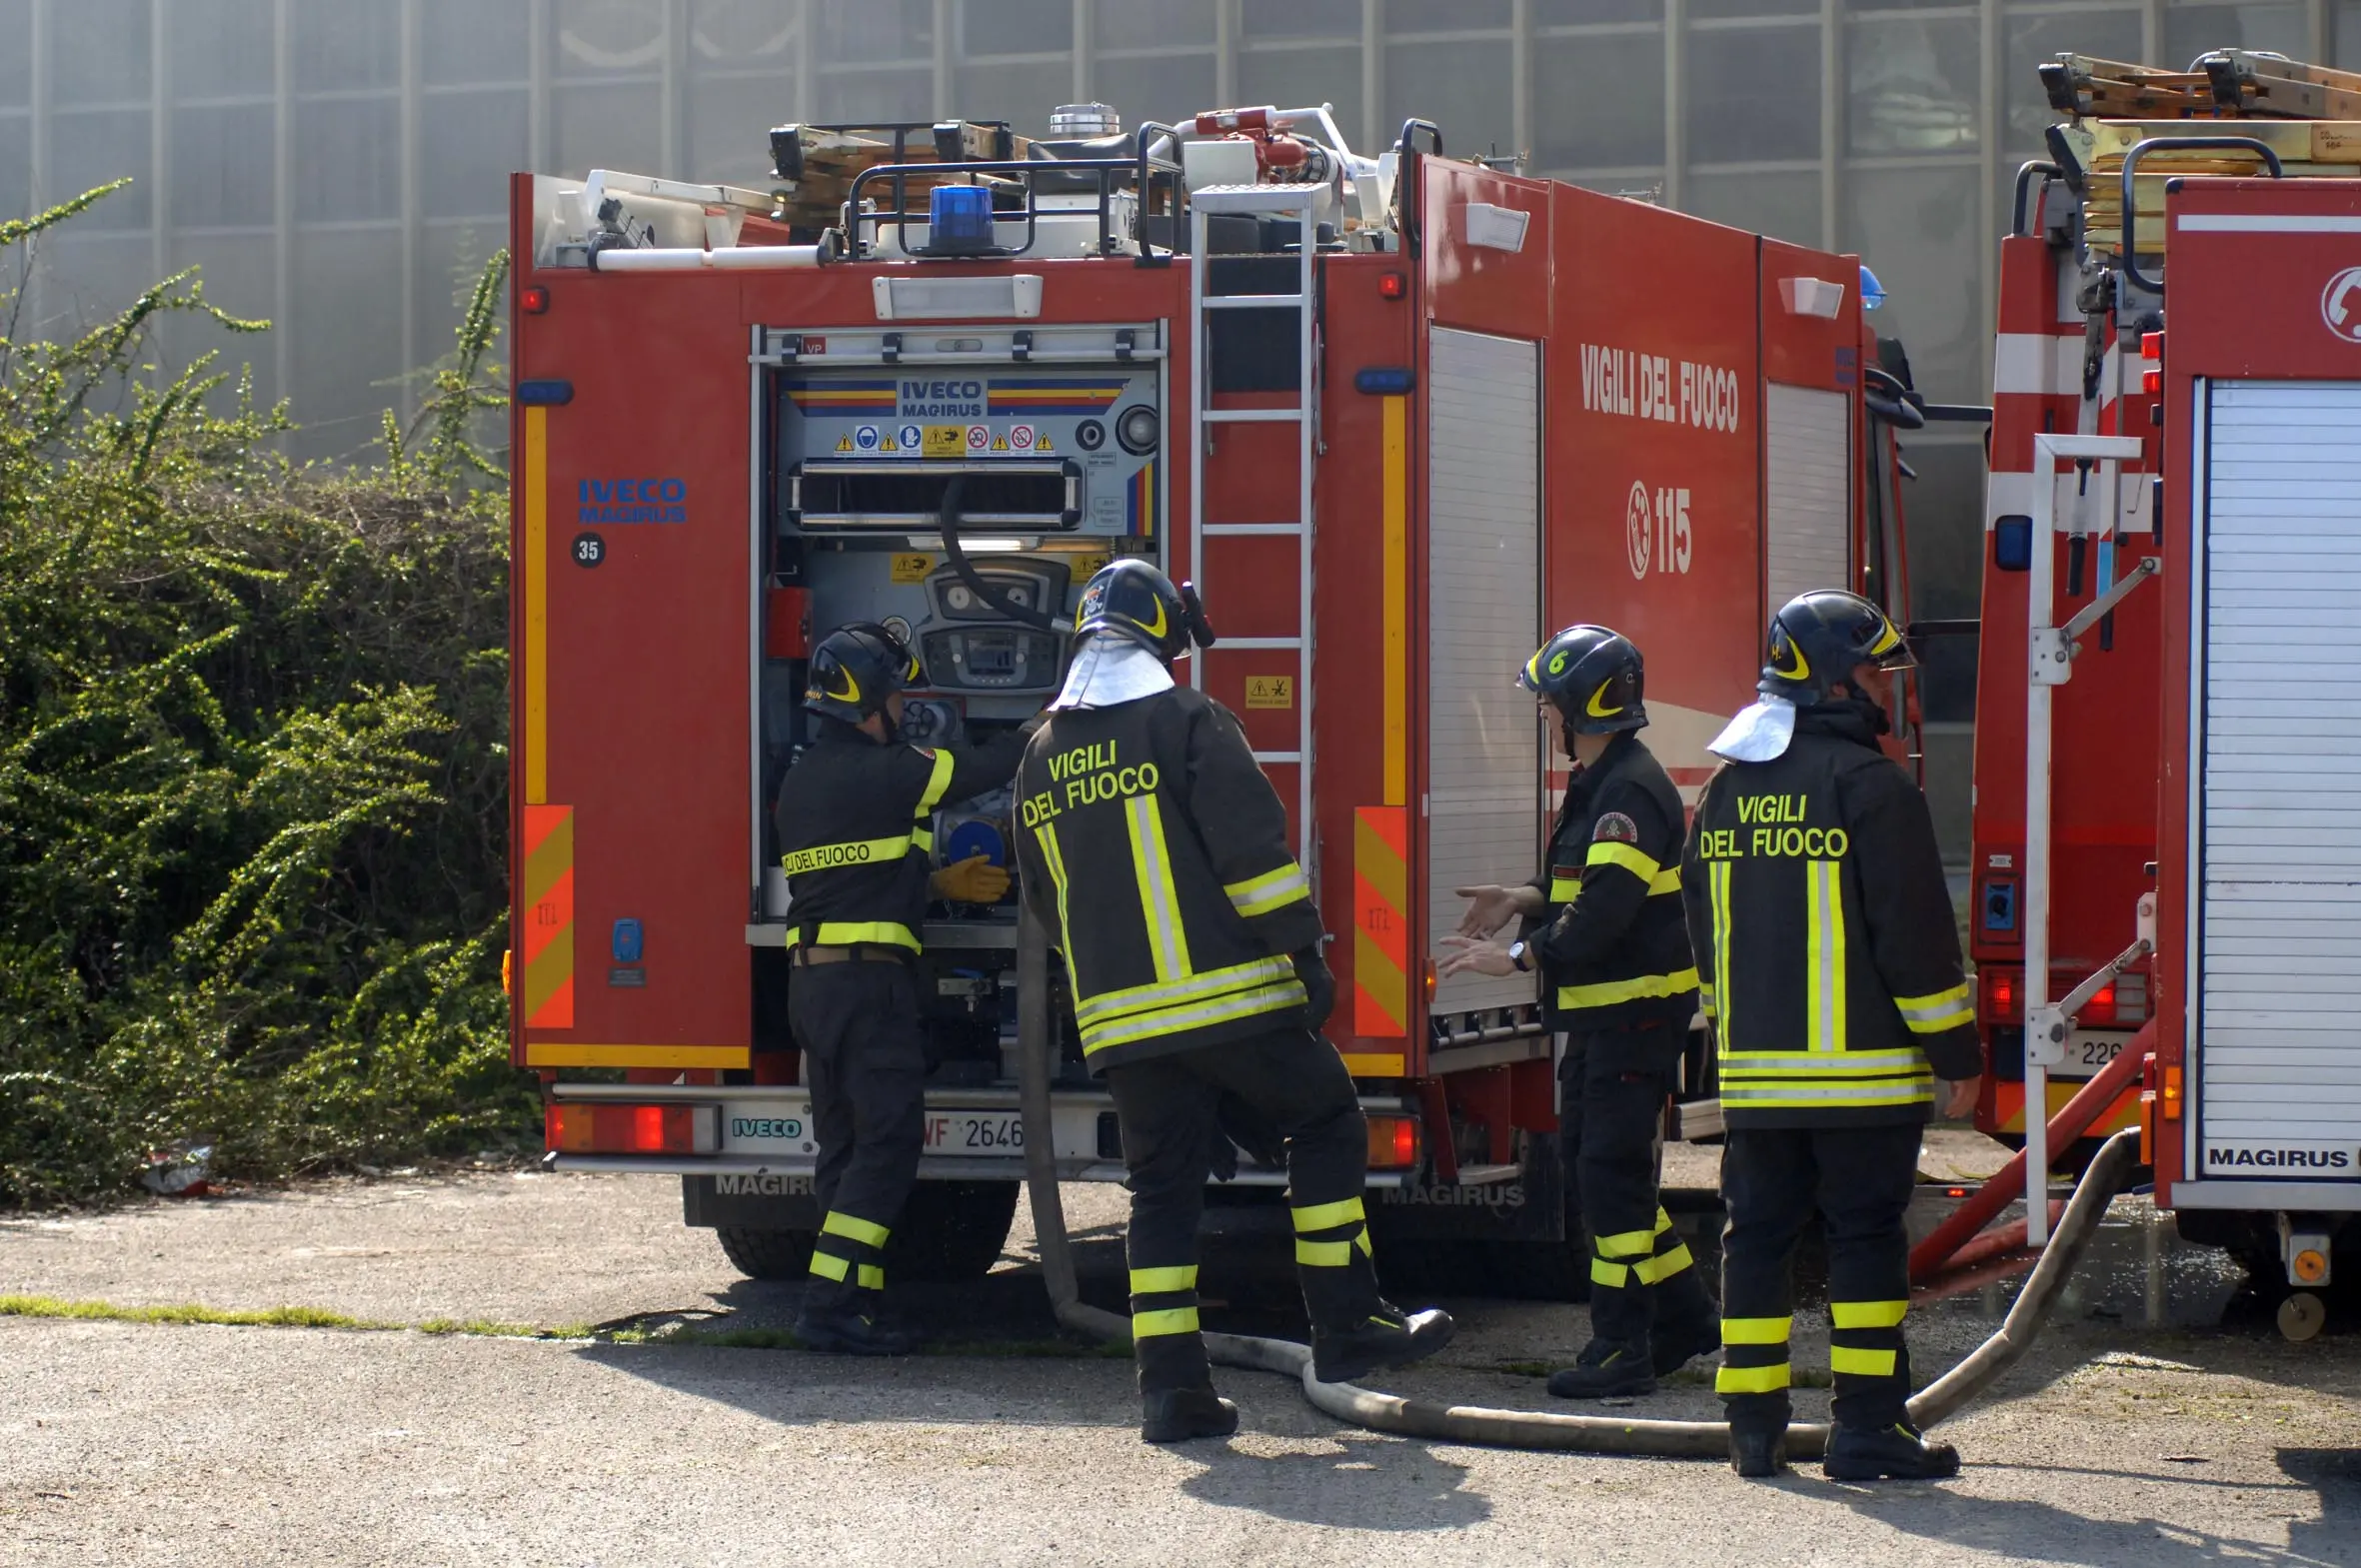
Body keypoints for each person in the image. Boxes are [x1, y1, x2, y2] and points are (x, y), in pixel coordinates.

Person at [1012, 559, 1454, 1444]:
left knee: (1161, 1192)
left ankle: (1171, 1391)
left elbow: (1047, 903)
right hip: (1235, 1000)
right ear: (1162, 639)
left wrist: (1126, 1004)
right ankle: (1346, 1317)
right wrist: (1306, 954)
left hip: (1121, 1026)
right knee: (1327, 1121)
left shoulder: (1039, 754)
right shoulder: (1187, 720)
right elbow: (1253, 858)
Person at [1681, 590, 1983, 1481]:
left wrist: (1728, 1041)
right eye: (1868, 667)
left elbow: (1705, 934)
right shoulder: (1875, 787)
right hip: (1864, 1083)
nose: (1880, 687)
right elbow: (1918, 941)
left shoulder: (1726, 792)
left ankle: (1752, 1427)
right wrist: (1956, 1057)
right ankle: (1865, 1429)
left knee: (1756, 1237)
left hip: (1757, 1085)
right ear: (1827, 676)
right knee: (1862, 1242)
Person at [1440, 625, 1719, 1398]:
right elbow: (1575, 886)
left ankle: (1620, 1346)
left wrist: (1522, 956)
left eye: (1549, 703)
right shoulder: (1601, 782)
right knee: (1600, 1176)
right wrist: (1520, 899)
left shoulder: (1629, 790)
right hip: (1606, 1019)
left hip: (1633, 1016)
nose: (1542, 715)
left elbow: (1604, 911)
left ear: (1585, 709)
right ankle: (1689, 1316)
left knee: (1610, 1178)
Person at [774, 621, 1032, 1354]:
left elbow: (860, 872)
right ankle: (828, 1307)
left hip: (814, 988)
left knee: (844, 1149)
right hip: (868, 990)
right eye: (896, 697)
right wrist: (1050, 721)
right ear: (870, 703)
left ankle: (855, 1299)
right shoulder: (891, 771)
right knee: (886, 1147)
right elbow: (981, 769)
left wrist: (934, 881)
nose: (903, 710)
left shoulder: (804, 780)